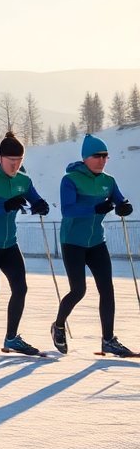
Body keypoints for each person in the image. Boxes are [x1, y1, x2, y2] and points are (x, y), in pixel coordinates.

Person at [0, 130, 51, 355]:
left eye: (19, 161)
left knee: (20, 288)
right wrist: (4, 205)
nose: (15, 166)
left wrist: (41, 205)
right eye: (11, 161)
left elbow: (35, 198)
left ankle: (11, 338)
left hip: (9, 244)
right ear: (0, 158)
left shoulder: (24, 180)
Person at [53, 134, 135, 357]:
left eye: (105, 156)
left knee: (107, 290)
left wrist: (124, 207)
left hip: (97, 242)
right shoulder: (70, 179)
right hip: (73, 242)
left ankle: (108, 340)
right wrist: (95, 209)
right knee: (78, 290)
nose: (102, 160)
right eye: (97, 156)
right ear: (85, 158)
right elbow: (68, 210)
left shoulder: (108, 181)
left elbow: (119, 201)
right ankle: (58, 325)